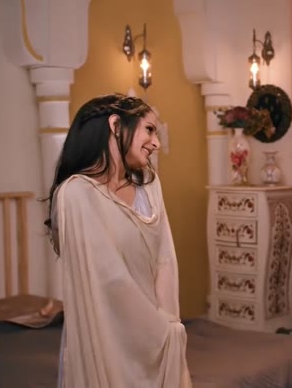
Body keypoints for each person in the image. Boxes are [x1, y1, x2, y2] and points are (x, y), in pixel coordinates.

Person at [45, 94, 192, 388]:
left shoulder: (149, 185)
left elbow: (165, 258)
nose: (156, 143)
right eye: (149, 129)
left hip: (158, 335)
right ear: (115, 125)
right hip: (108, 338)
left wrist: (168, 328)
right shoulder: (75, 194)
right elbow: (109, 278)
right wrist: (151, 327)